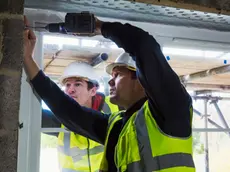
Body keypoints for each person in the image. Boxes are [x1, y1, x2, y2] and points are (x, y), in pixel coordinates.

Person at [23, 15, 195, 172]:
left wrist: (97, 27)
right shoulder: (118, 125)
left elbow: (144, 45)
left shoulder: (171, 111)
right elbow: (69, 111)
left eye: (117, 75)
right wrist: (27, 60)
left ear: (141, 78)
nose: (110, 82)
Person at [41, 61, 120, 172]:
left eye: (77, 84)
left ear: (93, 90)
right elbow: (30, 115)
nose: (70, 90)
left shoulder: (115, 109)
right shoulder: (59, 117)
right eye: (67, 85)